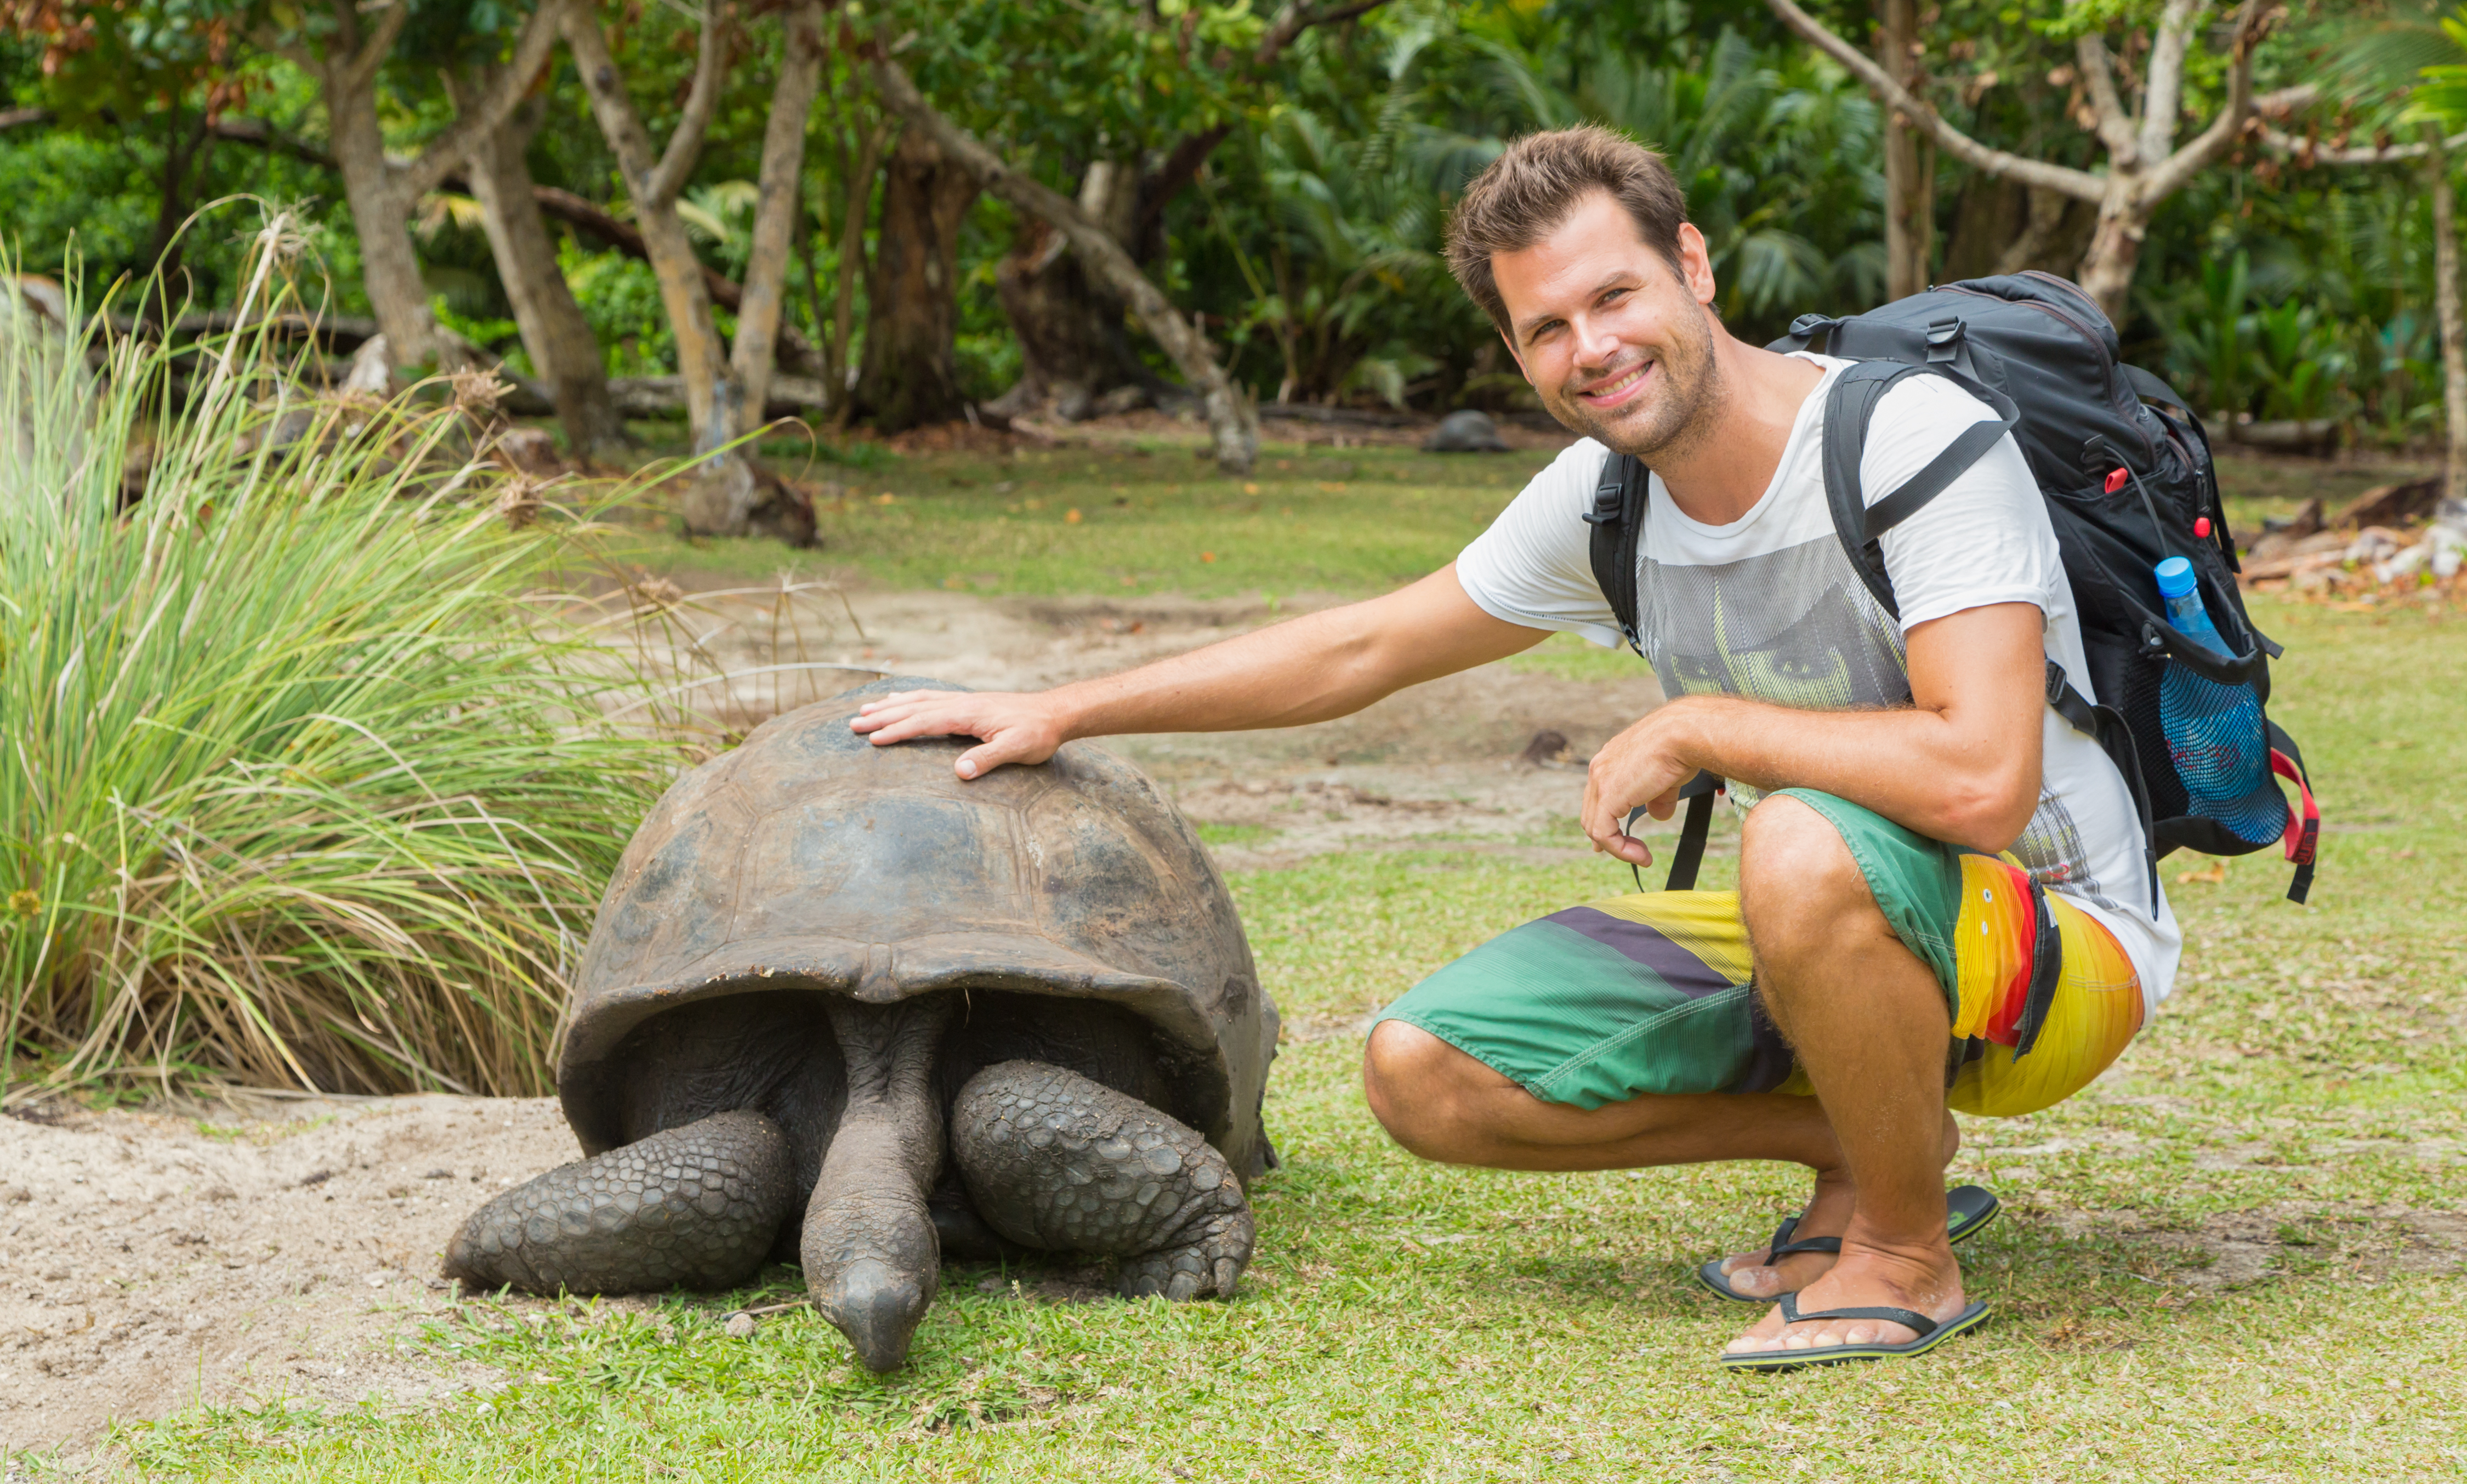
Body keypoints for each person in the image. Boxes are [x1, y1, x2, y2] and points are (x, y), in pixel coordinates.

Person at [850, 126, 2175, 1369]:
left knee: (1797, 837)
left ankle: (1901, 1251)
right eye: (1547, 328)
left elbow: (1981, 780)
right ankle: (1875, 1138)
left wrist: (1702, 723)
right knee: (1424, 1072)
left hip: (2056, 941)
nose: (1593, 348)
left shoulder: (1906, 438)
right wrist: (1065, 708)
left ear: (1693, 265)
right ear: (1515, 350)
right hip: (1823, 919)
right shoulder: (1607, 502)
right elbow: (1363, 648)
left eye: (1615, 297)